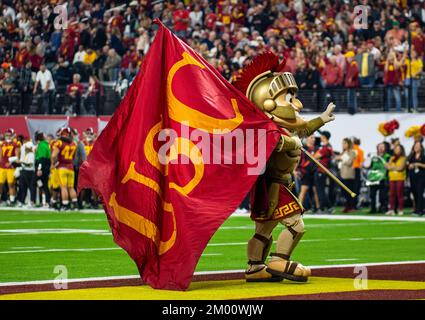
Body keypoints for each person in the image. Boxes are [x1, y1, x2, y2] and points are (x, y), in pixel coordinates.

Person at [233, 51, 336, 283]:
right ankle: (279, 260)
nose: (295, 103)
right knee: (296, 225)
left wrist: (321, 119)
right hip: (274, 185)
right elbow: (273, 142)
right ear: (266, 101)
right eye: (288, 98)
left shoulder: (280, 125)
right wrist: (291, 141)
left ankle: (254, 267)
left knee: (264, 230)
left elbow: (301, 130)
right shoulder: (265, 127)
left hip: (279, 183)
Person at [51, 127, 78, 210]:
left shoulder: (59, 143)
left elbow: (54, 155)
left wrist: (54, 163)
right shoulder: (74, 144)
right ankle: (75, 204)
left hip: (62, 167)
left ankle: (65, 205)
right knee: (71, 187)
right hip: (70, 167)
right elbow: (74, 157)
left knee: (63, 187)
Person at [296, 135, 320, 212]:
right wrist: (295, 170)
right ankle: (298, 208)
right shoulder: (304, 148)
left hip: (315, 171)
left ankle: (318, 208)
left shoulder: (317, 149)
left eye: (314, 138)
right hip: (305, 172)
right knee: (304, 190)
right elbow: (298, 160)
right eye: (311, 138)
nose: (313, 139)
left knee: (315, 190)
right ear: (307, 139)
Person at [365, 142, 390, 214]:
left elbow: (388, 166)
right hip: (373, 177)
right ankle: (373, 208)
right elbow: (369, 165)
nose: (381, 148)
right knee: (372, 194)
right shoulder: (374, 157)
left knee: (383, 195)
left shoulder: (388, 156)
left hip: (383, 177)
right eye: (379, 146)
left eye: (382, 146)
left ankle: (382, 208)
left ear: (385, 148)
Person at [314, 131, 334, 214]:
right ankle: (327, 207)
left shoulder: (325, 147)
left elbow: (315, 156)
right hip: (323, 170)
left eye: (321, 136)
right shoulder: (328, 146)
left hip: (321, 170)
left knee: (320, 190)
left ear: (324, 137)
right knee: (321, 190)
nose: (320, 137)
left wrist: (317, 158)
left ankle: (324, 207)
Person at [335, 138, 356, 213]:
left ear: (349, 144)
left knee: (348, 192)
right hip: (342, 174)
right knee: (343, 192)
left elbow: (349, 162)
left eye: (345, 143)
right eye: (342, 143)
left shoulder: (352, 152)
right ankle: (347, 206)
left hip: (349, 175)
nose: (343, 145)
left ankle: (350, 207)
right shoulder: (343, 152)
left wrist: (341, 158)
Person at [0, 128, 21, 205]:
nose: (8, 136)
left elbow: (17, 156)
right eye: (7, 135)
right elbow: (0, 156)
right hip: (2, 167)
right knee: (0, 183)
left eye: (9, 135)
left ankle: (12, 200)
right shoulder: (2, 144)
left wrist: (10, 162)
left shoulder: (16, 144)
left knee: (11, 184)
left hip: (11, 167)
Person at [385, 144, 407, 216]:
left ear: (401, 150)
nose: (397, 150)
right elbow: (387, 166)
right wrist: (394, 167)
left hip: (400, 178)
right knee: (392, 194)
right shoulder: (392, 158)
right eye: (396, 149)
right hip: (392, 178)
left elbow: (401, 168)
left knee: (399, 194)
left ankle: (400, 209)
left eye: (398, 149)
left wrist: (392, 167)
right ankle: (391, 209)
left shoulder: (403, 158)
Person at [407, 141, 425, 216]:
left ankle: (420, 210)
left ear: (421, 147)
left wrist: (418, 164)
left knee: (420, 192)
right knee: (414, 193)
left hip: (421, 177)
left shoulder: (423, 156)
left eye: (418, 146)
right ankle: (417, 209)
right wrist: (410, 166)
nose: (416, 147)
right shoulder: (411, 156)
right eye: (415, 146)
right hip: (412, 176)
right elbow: (408, 164)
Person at [34, 131, 51, 207]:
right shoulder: (46, 145)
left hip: (42, 167)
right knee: (43, 185)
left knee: (38, 183)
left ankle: (44, 201)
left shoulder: (42, 145)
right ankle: (45, 201)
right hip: (46, 166)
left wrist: (39, 169)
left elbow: (42, 158)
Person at [18, 141, 36, 207]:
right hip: (24, 171)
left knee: (31, 187)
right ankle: (21, 201)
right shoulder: (26, 154)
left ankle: (32, 201)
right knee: (22, 187)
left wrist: (21, 162)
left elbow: (30, 165)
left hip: (30, 172)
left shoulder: (31, 154)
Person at [352, 138, 365, 209]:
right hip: (357, 169)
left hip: (350, 169)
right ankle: (354, 204)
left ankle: (350, 204)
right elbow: (361, 162)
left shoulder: (351, 150)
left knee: (350, 186)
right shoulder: (360, 151)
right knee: (356, 188)